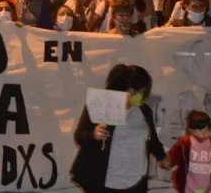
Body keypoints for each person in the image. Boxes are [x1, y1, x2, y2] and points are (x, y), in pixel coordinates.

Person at [70, 64, 165, 193]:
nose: (145, 96)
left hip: (135, 179)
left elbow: (151, 137)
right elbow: (80, 136)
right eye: (143, 92)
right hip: (106, 180)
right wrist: (93, 134)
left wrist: (162, 156)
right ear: (131, 91)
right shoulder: (100, 106)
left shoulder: (144, 110)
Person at [162, 110, 211, 193]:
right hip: (189, 187)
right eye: (201, 130)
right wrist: (167, 161)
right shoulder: (185, 143)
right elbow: (174, 154)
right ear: (191, 131)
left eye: (207, 130)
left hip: (207, 187)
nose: (205, 133)